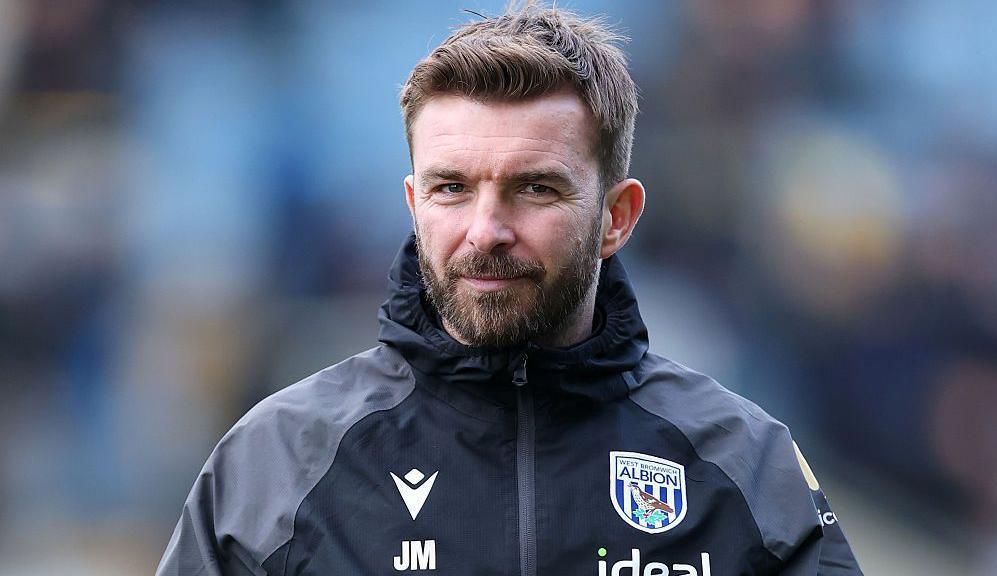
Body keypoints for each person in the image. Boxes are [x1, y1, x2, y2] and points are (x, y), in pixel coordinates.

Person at [157, 4, 862, 575]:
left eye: (535, 188)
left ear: (616, 217)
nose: (486, 229)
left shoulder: (742, 462)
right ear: (412, 202)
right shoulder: (277, 460)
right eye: (451, 188)